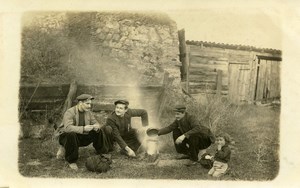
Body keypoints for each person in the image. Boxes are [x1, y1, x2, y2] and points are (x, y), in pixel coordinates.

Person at [56, 94, 113, 170]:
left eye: (90, 104)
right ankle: (71, 161)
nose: (89, 106)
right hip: (66, 137)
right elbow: (68, 128)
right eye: (87, 104)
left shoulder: (88, 112)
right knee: (71, 134)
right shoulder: (70, 112)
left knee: (98, 131)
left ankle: (103, 154)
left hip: (81, 136)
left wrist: (96, 127)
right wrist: (84, 128)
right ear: (80, 103)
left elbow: (96, 123)